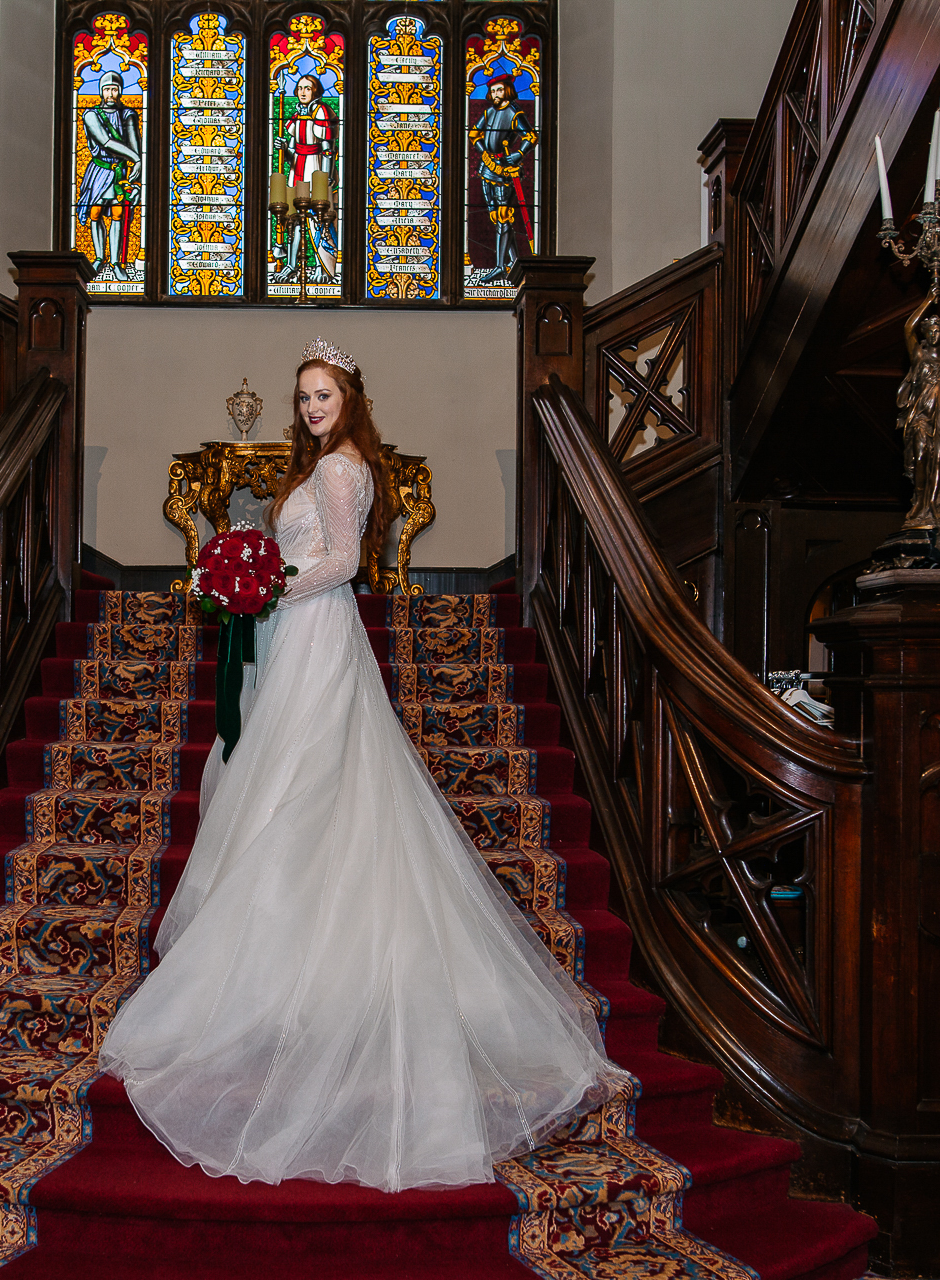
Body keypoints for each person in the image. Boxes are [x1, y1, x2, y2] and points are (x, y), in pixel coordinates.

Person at [98, 337, 627, 1193]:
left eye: (324, 395)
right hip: (295, 637)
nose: (311, 408)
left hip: (317, 634)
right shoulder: (323, 468)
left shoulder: (343, 472)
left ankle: (305, 983)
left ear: (350, 399)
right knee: (292, 794)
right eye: (303, 396)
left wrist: (267, 585)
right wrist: (256, 578)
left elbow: (346, 563)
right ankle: (284, 978)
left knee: (307, 794)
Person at [895, 290, 940, 545]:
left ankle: (935, 509)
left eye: (938, 330)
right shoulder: (919, 355)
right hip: (921, 416)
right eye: (930, 330)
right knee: (921, 457)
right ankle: (919, 507)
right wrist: (927, 300)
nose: (934, 334)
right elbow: (907, 328)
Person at [76, 70, 142, 281]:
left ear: (120, 91)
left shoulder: (128, 114)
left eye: (114, 89)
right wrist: (135, 157)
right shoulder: (91, 115)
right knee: (95, 213)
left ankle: (115, 262)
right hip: (99, 170)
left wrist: (137, 165)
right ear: (101, 91)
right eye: (107, 89)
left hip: (119, 172)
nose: (111, 94)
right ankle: (98, 258)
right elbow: (105, 142)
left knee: (117, 214)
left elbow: (134, 144)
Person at [470, 74, 536, 285]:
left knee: (503, 216)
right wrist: (484, 153)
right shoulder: (489, 113)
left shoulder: (514, 113)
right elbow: (474, 134)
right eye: (493, 91)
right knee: (497, 218)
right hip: (487, 168)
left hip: (503, 171)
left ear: (507, 90)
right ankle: (516, 263)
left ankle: (500, 267)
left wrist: (517, 155)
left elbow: (531, 137)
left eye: (499, 90)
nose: (495, 94)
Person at [276, 74, 337, 284]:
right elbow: (292, 151)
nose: (302, 92)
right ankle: (292, 265)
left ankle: (323, 266)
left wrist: (327, 176)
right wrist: (285, 149)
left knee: (318, 219)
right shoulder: (297, 114)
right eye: (300, 88)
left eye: (307, 88)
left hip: (316, 167)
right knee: (295, 221)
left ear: (315, 91)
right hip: (298, 168)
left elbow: (328, 149)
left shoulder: (321, 111)